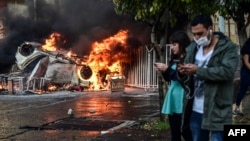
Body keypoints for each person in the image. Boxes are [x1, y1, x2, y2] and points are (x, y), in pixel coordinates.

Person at [177, 14, 239, 141]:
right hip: (195, 109)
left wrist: (198, 70)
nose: (197, 38)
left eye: (200, 33)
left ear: (210, 29)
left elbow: (227, 71)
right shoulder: (193, 48)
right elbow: (187, 80)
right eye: (194, 34)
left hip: (217, 109)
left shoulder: (228, 48)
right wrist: (183, 73)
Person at [154, 31, 192, 141]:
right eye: (171, 44)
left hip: (183, 97)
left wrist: (168, 69)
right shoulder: (175, 58)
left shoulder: (188, 59)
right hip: (173, 97)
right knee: (175, 132)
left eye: (174, 44)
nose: (171, 47)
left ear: (182, 44)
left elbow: (183, 79)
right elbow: (170, 78)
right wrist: (163, 71)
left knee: (185, 131)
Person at [233, 37, 250, 116]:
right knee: (243, 89)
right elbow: (247, 62)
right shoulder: (247, 47)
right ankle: (236, 108)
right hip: (246, 71)